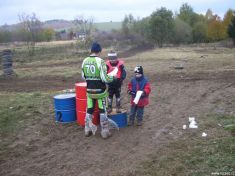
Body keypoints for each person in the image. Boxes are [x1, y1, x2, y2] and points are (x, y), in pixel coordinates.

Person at [81, 42, 115, 139]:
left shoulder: (84, 61)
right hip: (100, 91)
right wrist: (113, 78)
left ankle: (87, 129)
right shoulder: (100, 61)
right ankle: (104, 131)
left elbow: (83, 76)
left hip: (89, 91)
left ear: (91, 50)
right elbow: (104, 78)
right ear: (99, 51)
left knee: (89, 109)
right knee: (102, 110)